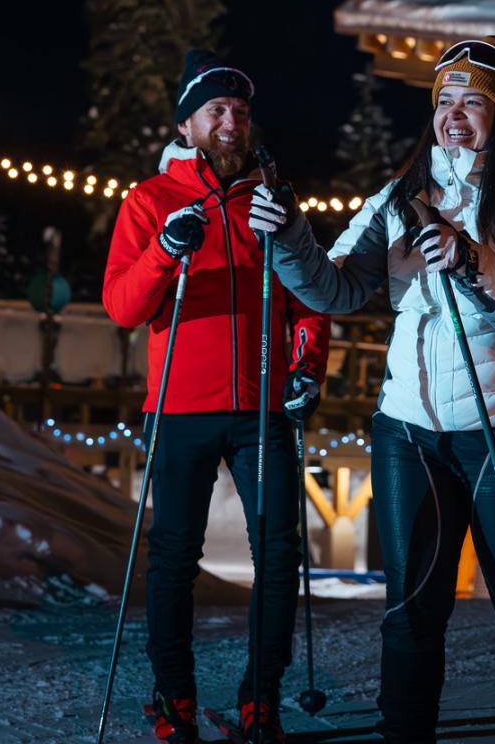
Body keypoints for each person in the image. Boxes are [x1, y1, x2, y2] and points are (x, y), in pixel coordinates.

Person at [249, 34, 495, 743]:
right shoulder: (401, 197)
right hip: (408, 428)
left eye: (474, 103)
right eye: (445, 102)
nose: (455, 117)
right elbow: (336, 288)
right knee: (410, 610)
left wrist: (473, 260)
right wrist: (286, 236)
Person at [104, 50, 331, 744]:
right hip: (179, 408)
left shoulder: (275, 197)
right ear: (187, 125)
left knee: (280, 552)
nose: (231, 121)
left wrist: (307, 366)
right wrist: (168, 250)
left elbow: (310, 297)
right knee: (174, 558)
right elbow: (122, 305)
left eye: (239, 110)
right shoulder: (150, 201)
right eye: (216, 110)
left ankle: (260, 698)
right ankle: (174, 699)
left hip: (263, 408)